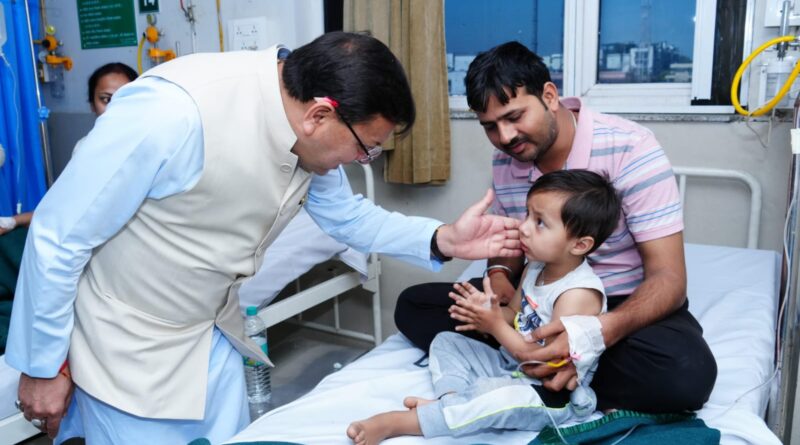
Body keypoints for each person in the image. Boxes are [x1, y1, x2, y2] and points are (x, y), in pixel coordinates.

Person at [7, 32, 521, 444]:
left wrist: (443, 238)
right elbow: (58, 236)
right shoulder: (173, 112)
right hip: (127, 350)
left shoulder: (304, 131)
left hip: (211, 334)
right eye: (364, 148)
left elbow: (348, 219)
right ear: (320, 114)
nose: (359, 161)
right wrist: (42, 367)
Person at [394, 41, 717, 414]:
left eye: (515, 116)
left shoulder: (631, 148)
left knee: (686, 374)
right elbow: (511, 243)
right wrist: (499, 278)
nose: (505, 137)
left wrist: (595, 335)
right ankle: (540, 362)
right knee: (414, 306)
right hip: (538, 302)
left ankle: (546, 369)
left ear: (549, 95)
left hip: (619, 303)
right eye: (490, 126)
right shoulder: (507, 161)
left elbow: (669, 278)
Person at [347, 170, 620, 444]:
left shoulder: (578, 294)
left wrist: (494, 325)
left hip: (549, 393)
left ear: (579, 244)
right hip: (511, 362)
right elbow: (514, 315)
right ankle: (451, 402)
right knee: (446, 342)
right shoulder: (536, 267)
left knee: (497, 397)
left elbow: (545, 363)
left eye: (539, 222)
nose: (523, 227)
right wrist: (485, 311)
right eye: (527, 215)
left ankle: (398, 423)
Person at [0, 63, 137, 353]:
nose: (114, 108)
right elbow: (63, 210)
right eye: (105, 99)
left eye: (124, 98)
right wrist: (13, 221)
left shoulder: (149, 147)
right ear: (92, 104)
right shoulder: (85, 148)